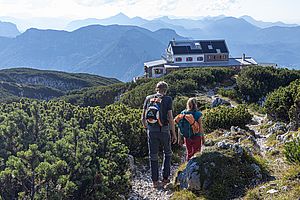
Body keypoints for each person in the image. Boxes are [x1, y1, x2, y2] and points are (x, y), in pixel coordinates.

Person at [141, 81, 177, 188]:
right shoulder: (167, 99)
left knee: (153, 155)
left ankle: (155, 181)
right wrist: (174, 133)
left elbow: (143, 117)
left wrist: (147, 127)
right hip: (164, 130)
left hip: (152, 131)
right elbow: (170, 118)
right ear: (166, 90)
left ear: (156, 89)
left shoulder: (148, 98)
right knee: (167, 153)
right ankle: (165, 179)